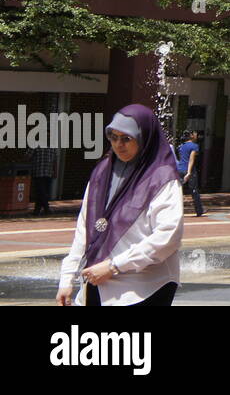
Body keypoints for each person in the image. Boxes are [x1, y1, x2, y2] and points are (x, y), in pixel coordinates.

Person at [56, 105, 183, 306]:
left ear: (144, 139)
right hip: (98, 283)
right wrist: (67, 278)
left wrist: (114, 266)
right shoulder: (102, 173)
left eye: (126, 139)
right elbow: (85, 228)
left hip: (145, 288)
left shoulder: (161, 178)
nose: (118, 145)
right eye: (113, 137)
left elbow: (168, 237)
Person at [176, 131, 205, 217]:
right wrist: (189, 172)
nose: (196, 135)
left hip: (180, 169)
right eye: (195, 134)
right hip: (190, 171)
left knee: (178, 191)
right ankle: (199, 210)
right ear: (191, 136)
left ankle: (176, 211)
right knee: (194, 190)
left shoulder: (181, 146)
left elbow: (181, 158)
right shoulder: (194, 146)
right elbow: (191, 159)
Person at [29, 145, 56, 216]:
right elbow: (28, 156)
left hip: (48, 173)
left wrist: (55, 171)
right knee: (41, 192)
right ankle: (47, 208)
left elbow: (54, 160)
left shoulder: (52, 147)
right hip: (38, 172)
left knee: (43, 193)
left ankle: (36, 211)